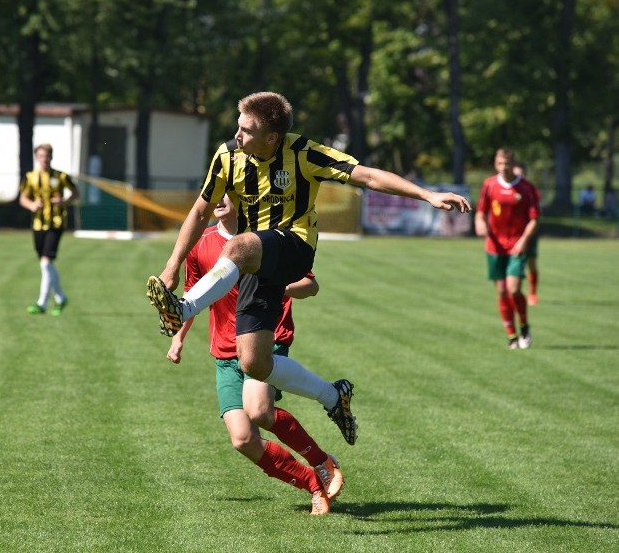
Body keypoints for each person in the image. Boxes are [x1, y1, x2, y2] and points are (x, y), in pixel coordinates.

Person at [146, 91, 472, 442]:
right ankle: (334, 396)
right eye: (237, 126)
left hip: (293, 247)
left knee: (237, 244)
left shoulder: (303, 152)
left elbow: (368, 177)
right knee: (254, 363)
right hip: (257, 263)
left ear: (272, 137)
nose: (236, 135)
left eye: (246, 130)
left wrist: (428, 195)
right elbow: (199, 211)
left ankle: (183, 306)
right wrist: (172, 264)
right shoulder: (227, 155)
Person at [167, 195, 342, 515]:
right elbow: (192, 295)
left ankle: (321, 460)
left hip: (265, 341)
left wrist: (278, 286)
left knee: (260, 410)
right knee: (243, 439)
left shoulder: (270, 239)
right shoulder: (202, 243)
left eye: (226, 191)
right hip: (224, 351)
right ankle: (312, 482)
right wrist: (179, 338)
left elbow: (310, 284)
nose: (217, 199)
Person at [474, 148, 540, 349]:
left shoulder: (526, 188)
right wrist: (479, 223)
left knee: (513, 289)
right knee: (502, 292)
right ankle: (511, 335)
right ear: (496, 164)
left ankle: (524, 325)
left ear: (513, 164)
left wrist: (523, 241)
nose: (503, 167)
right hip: (494, 246)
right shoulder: (489, 185)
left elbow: (534, 219)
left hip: (516, 247)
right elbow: (481, 212)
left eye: (507, 164)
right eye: (500, 164)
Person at [18, 143, 80, 316]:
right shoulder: (30, 177)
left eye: (46, 156)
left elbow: (76, 193)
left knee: (46, 262)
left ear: (51, 157)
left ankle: (42, 303)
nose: (44, 159)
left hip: (56, 223)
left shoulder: (60, 176)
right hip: (38, 224)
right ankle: (60, 298)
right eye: (41, 156)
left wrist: (64, 201)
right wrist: (31, 205)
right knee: (46, 264)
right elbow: (23, 198)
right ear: (37, 158)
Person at [512, 162, 540, 306]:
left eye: (521, 174)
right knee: (514, 265)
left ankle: (533, 293)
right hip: (512, 235)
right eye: (516, 174)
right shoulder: (508, 189)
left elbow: (535, 214)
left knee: (531, 263)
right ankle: (515, 294)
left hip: (529, 235)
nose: (519, 176)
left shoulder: (530, 190)